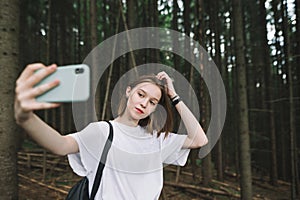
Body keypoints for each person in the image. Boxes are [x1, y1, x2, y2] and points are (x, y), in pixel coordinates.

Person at [14, 63, 208, 200]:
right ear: (128, 91)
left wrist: (173, 96)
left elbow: (199, 139)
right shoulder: (102, 131)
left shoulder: (156, 140)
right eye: (141, 94)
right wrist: (26, 118)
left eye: (152, 102)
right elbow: (61, 145)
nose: (144, 103)